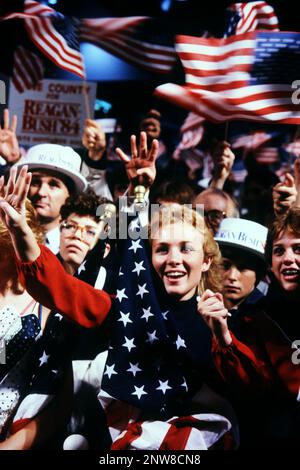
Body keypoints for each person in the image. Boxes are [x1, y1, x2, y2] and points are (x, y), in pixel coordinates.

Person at [0, 135, 238, 450]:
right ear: (149, 258)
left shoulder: (231, 322)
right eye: (162, 249)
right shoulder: (126, 311)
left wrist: (224, 340)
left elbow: (258, 391)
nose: (174, 259)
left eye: (186, 249)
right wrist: (20, 231)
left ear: (206, 259)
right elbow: (60, 287)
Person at [198, 211, 300, 448]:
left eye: (297, 249)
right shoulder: (255, 322)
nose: (288, 259)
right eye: (278, 251)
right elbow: (251, 389)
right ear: (270, 266)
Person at [13, 143, 88, 254]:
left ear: (70, 195)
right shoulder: (7, 238)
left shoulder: (78, 248)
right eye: (35, 182)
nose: (41, 192)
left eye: (53, 185)